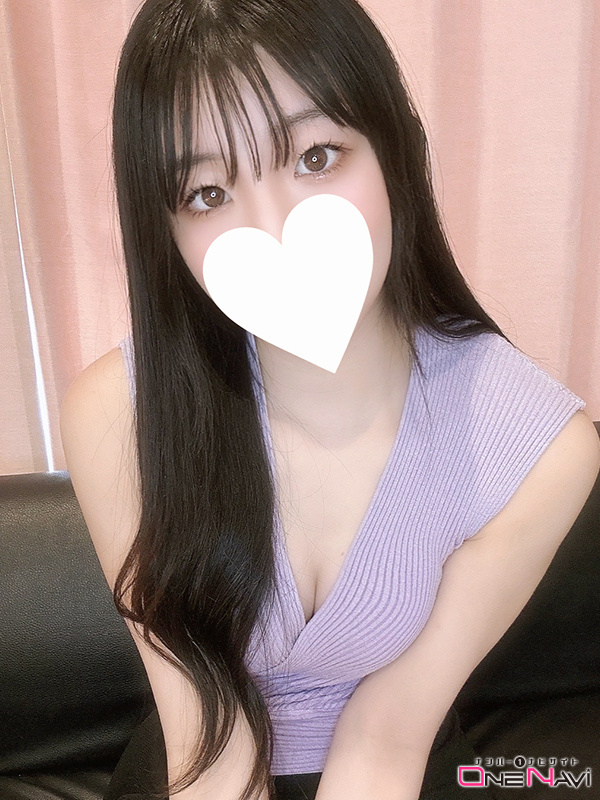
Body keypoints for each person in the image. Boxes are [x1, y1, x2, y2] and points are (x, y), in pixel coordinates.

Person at [59, 0, 600, 799]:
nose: (276, 228)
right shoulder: (117, 414)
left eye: (316, 156)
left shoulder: (542, 451)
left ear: (395, 150)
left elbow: (388, 735)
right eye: (206, 193)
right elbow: (206, 730)